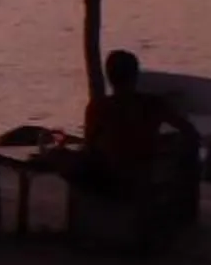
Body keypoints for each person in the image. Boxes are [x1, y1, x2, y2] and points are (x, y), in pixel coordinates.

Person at [78, 50, 192, 190]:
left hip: (109, 178)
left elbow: (89, 145)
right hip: (144, 177)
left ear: (108, 77)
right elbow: (189, 131)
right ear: (135, 76)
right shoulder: (153, 104)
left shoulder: (99, 107)